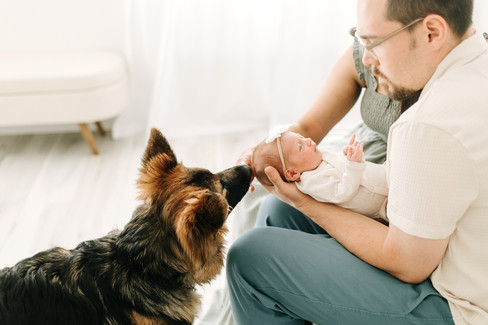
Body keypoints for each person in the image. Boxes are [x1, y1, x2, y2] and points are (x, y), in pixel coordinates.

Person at [227, 0, 488, 324]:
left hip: (460, 307)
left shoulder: (426, 126)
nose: (365, 58)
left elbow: (408, 262)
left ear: (432, 32)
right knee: (277, 211)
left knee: (248, 258)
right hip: (446, 253)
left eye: (373, 42)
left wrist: (303, 201)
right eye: (360, 39)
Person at [252, 127, 387, 219]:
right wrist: (353, 164)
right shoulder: (312, 182)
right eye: (301, 146)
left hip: (382, 177)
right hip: (382, 203)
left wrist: (347, 155)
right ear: (292, 173)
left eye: (302, 138)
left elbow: (340, 166)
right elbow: (343, 192)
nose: (308, 140)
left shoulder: (318, 157)